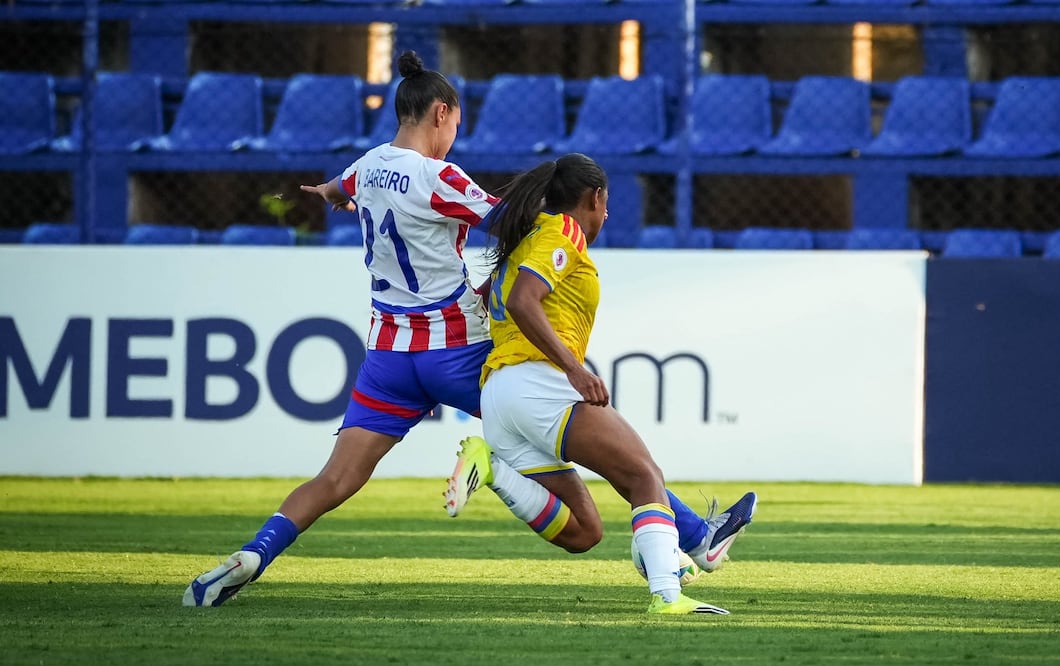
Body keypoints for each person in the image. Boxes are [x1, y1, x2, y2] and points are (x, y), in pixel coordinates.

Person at [183, 52, 751, 607]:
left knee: (334, 480)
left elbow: (335, 189)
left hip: (387, 356)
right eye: (456, 121)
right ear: (441, 113)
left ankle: (254, 554)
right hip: (457, 347)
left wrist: (324, 194)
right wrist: (564, 211)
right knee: (590, 446)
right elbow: (510, 220)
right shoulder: (437, 177)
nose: (455, 132)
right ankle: (692, 535)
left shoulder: (367, 167)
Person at [448, 152, 751, 615]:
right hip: (538, 384)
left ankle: (492, 470)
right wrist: (574, 368)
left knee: (584, 531)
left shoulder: (524, 241)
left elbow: (491, 298)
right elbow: (525, 302)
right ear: (594, 197)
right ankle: (668, 595)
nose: (606, 216)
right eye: (606, 205)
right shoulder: (564, 231)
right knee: (643, 475)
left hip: (500, 399)